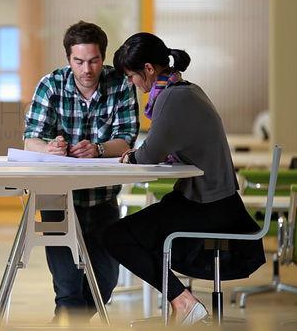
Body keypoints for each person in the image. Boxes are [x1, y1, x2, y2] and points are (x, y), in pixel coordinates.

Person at [102, 32, 265, 326]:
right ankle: (183, 302)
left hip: (208, 206)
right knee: (133, 233)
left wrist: (131, 156)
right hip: (214, 200)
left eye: (131, 76)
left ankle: (184, 302)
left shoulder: (173, 99)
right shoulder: (186, 89)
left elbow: (149, 154)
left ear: (148, 69)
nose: (132, 83)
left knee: (116, 237)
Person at [23, 21, 139, 322]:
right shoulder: (51, 84)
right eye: (79, 61)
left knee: (105, 284)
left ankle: (67, 322)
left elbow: (126, 140)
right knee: (68, 290)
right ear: (68, 59)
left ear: (103, 57)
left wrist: (98, 149)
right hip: (55, 197)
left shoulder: (121, 84)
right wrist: (49, 148)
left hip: (102, 196)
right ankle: (67, 318)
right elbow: (30, 139)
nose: (87, 69)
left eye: (94, 61)